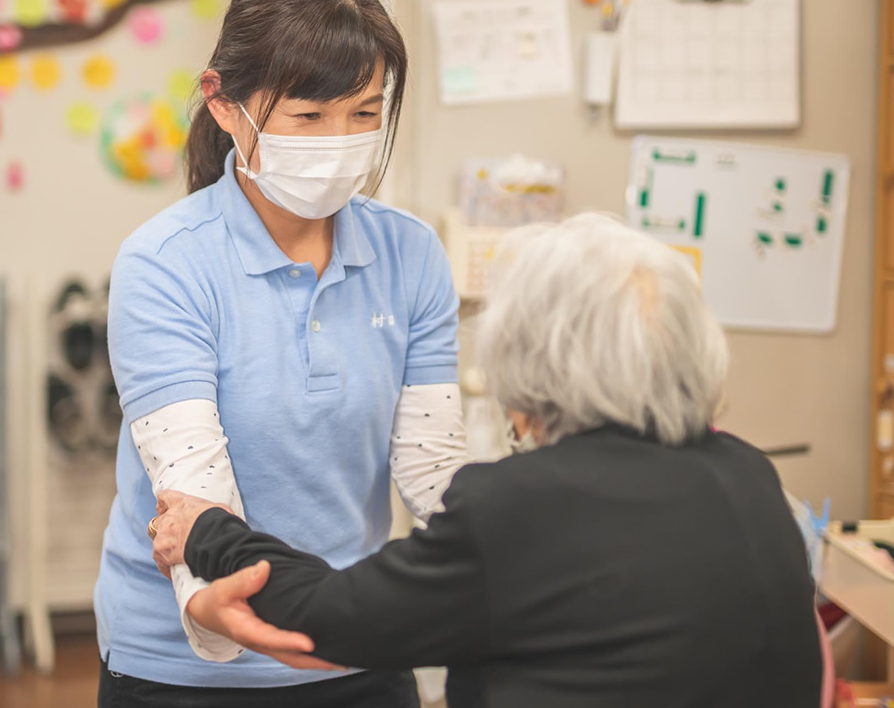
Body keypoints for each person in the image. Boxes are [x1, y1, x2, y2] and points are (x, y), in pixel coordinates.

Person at [152, 214, 824, 708]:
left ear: (530, 367)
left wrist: (209, 531)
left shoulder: (520, 505)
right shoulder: (748, 475)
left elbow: (328, 620)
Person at [94, 0, 471, 708]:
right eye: (308, 117)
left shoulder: (411, 254)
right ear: (224, 102)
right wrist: (217, 604)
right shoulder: (164, 265)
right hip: (182, 669)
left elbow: (435, 476)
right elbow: (198, 503)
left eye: (365, 113)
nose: (341, 140)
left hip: (357, 646)